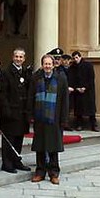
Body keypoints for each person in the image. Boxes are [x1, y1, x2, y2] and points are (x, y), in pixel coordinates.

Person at [28, 54, 69, 185]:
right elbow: (30, 96)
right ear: (42, 65)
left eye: (49, 64)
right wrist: (30, 114)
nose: (47, 66)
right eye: (45, 64)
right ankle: (40, 172)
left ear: (53, 65)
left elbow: (65, 100)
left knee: (53, 147)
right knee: (40, 146)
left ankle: (54, 172)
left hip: (54, 118)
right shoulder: (36, 77)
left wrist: (64, 118)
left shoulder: (60, 78)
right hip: (40, 117)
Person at [0, 47, 31, 173]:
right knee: (9, 138)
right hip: (10, 112)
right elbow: (2, 93)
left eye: (21, 57)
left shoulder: (25, 73)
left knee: (19, 137)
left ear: (24, 59)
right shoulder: (6, 72)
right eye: (16, 56)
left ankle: (16, 160)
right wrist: (6, 110)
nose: (18, 59)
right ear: (13, 57)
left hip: (22, 112)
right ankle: (7, 163)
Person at [68, 51, 98, 131]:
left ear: (80, 57)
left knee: (91, 109)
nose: (75, 59)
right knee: (78, 110)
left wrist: (85, 88)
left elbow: (91, 78)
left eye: (77, 57)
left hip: (88, 91)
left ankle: (93, 125)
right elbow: (71, 79)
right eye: (74, 58)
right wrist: (76, 88)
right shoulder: (72, 67)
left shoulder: (88, 66)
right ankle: (79, 124)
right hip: (77, 91)